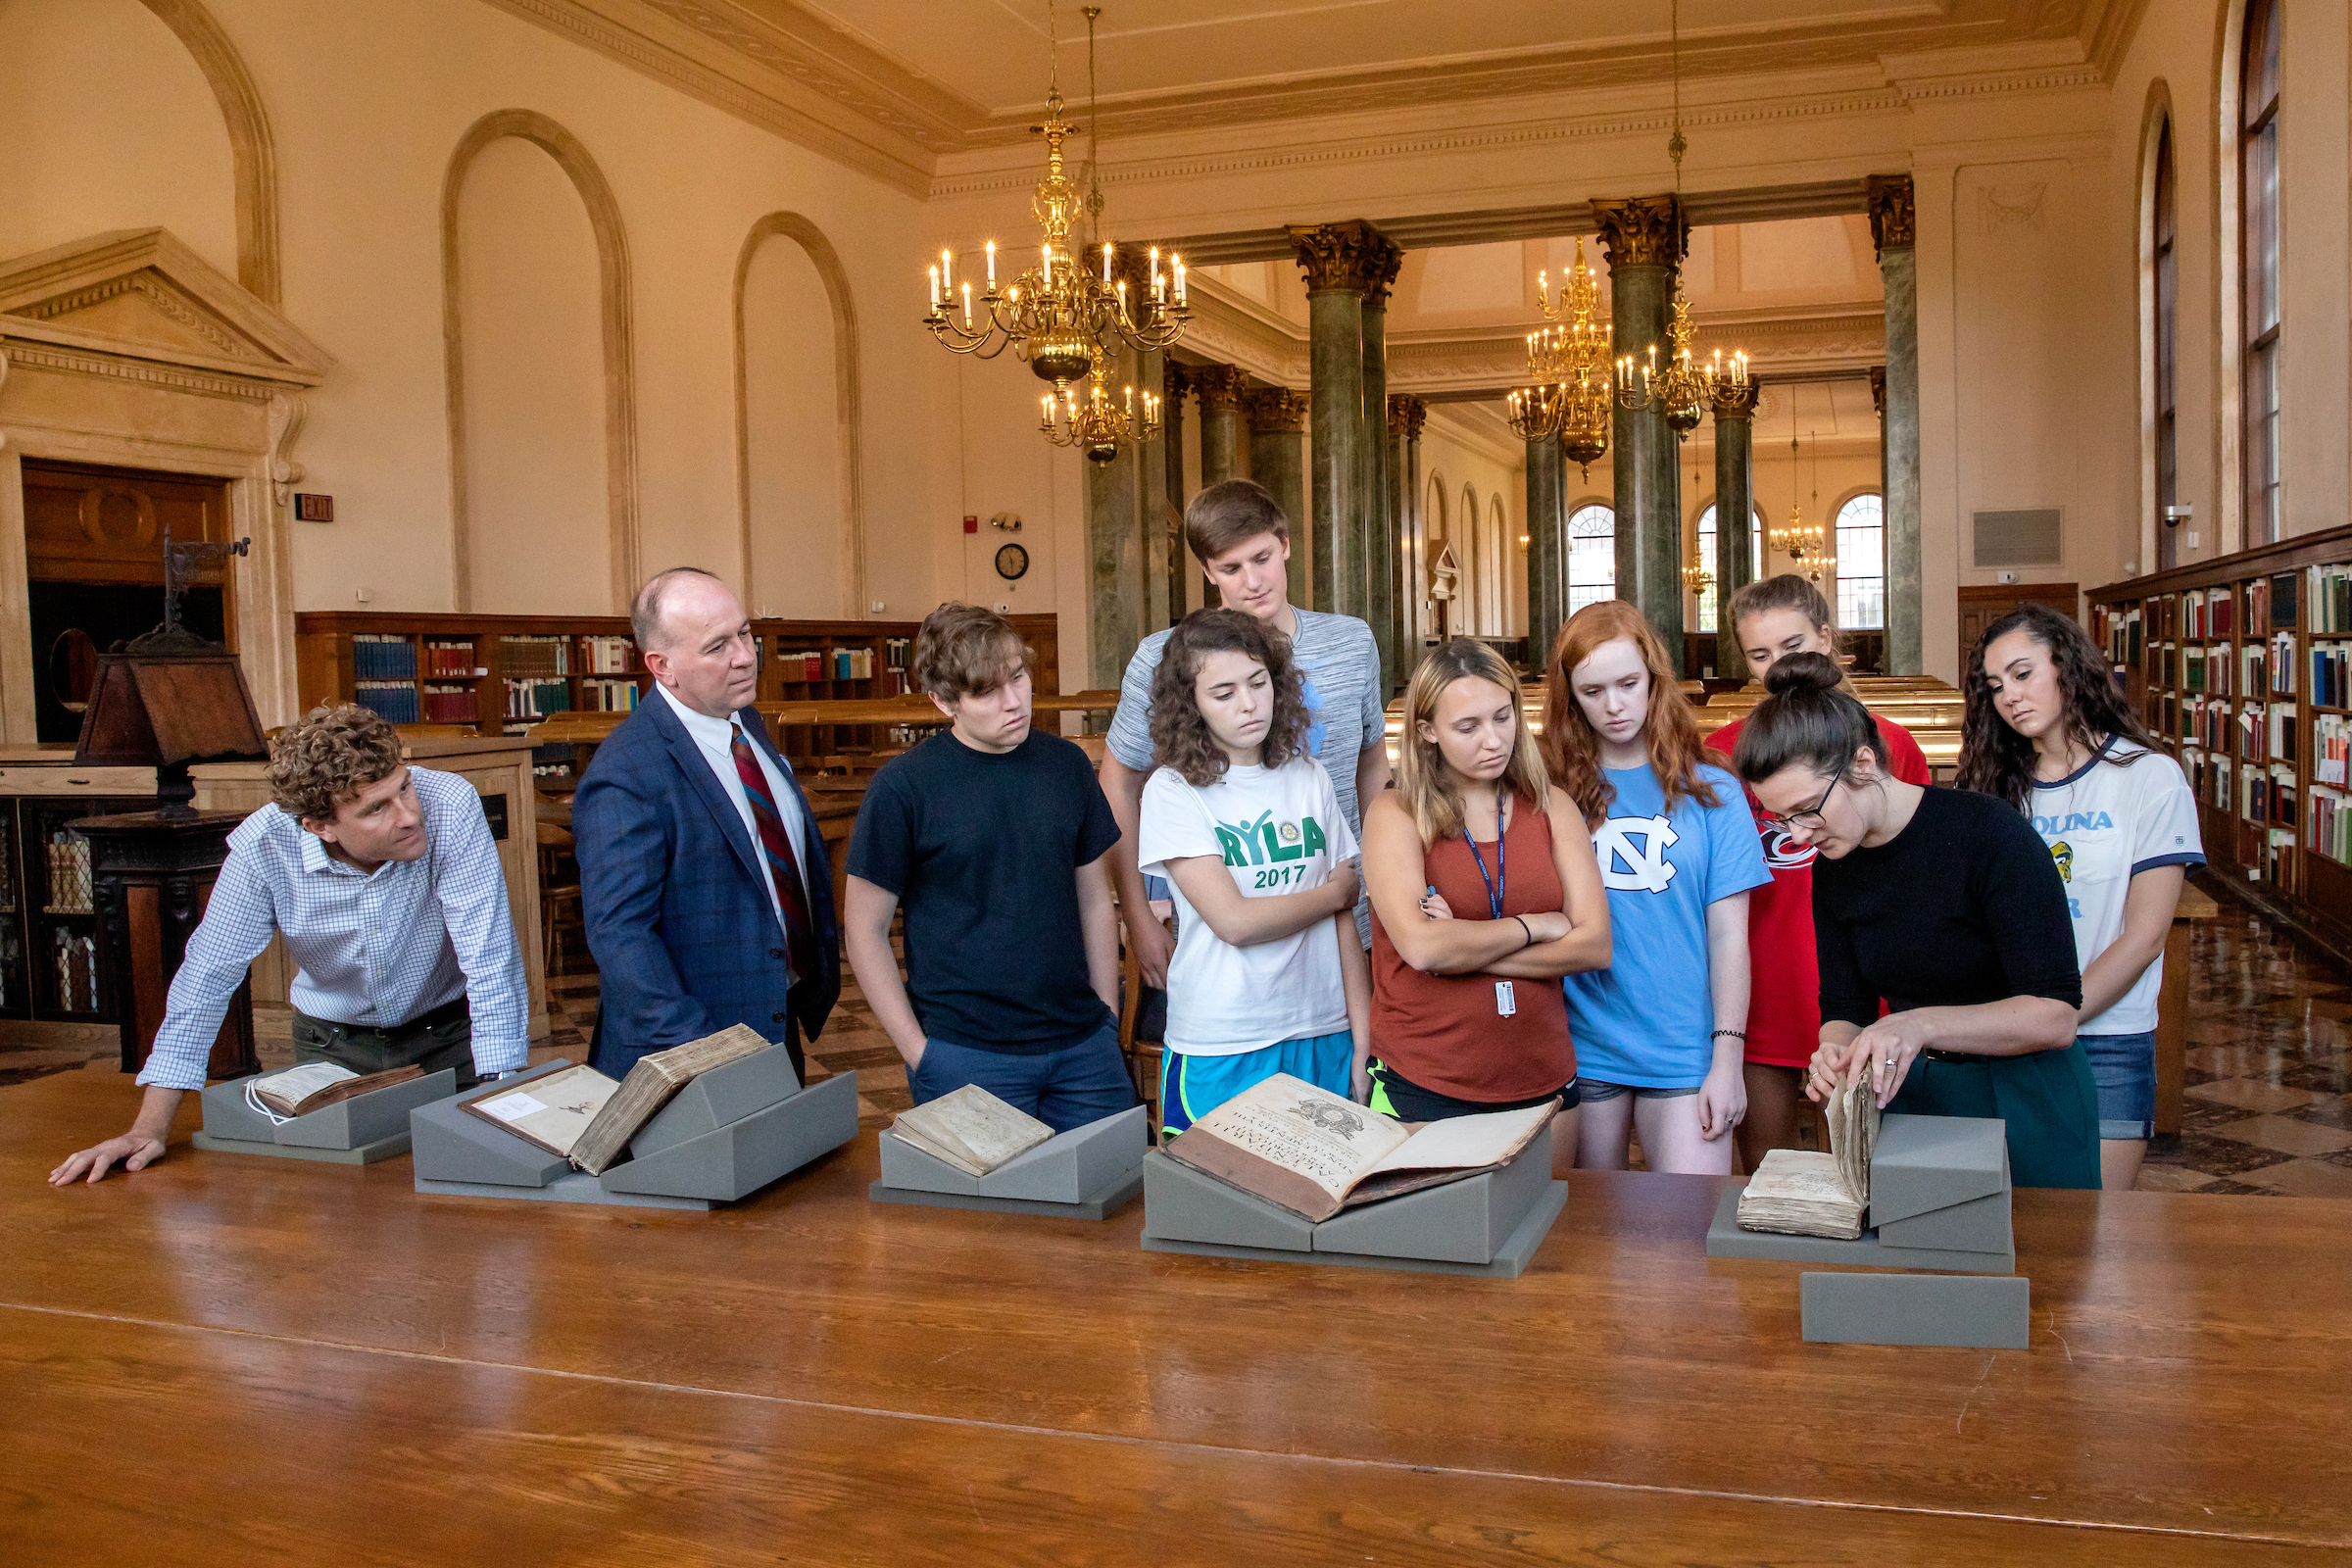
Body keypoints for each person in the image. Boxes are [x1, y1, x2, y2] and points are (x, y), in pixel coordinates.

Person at [49, 705, 529, 1185]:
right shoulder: (263, 847)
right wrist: (147, 1128)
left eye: (403, 787)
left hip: (451, 1039)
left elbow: (489, 958)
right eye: (376, 808)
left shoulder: (450, 803)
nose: (409, 815)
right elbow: (207, 977)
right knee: (346, 1203)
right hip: (331, 1051)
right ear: (319, 826)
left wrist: (503, 1091)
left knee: (469, 1194)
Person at [1733, 653, 2097, 1188]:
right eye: (1782, 817)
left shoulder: (1988, 835)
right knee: (1913, 1260)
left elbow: (2056, 1016)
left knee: (2041, 1265)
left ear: (1862, 763)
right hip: (1908, 1094)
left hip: (2024, 1092)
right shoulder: (1835, 868)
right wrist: (1833, 1051)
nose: (1797, 836)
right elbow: (1845, 1005)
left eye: (1809, 809)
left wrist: (1916, 1022)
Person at [844, 604, 1135, 1132]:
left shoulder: (1066, 766)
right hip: (964, 1053)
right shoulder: (903, 789)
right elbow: (864, 931)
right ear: (942, 701)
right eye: (986, 691)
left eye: (1018, 678)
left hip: (1083, 1047)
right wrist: (919, 1052)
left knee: (1115, 1203)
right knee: (988, 1216)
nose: (1014, 702)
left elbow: (1093, 897)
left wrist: (1105, 1015)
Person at [1102, 478, 1390, 984]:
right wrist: (1138, 914)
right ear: (1207, 571)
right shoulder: (1160, 656)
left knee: (1346, 1051)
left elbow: (1370, 764)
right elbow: (1120, 784)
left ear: (1285, 544)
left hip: (1342, 905)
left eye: (1261, 558)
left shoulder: (1352, 641)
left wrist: (1385, 884)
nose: (1252, 581)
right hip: (1216, 918)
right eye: (1231, 569)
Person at [1961, 604, 2203, 1191]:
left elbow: (2144, 938)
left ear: (2067, 667)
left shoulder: (2149, 776)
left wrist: (2058, 1016)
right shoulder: (1991, 786)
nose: (2010, 696)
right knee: (2010, 1224)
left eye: (2023, 674)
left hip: (2108, 1037)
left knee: (2095, 1235)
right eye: (1995, 687)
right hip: (2008, 1036)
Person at [1704, 574, 1933, 1172]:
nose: (1778, 666)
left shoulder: (1887, 744)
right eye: (1759, 654)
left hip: (1860, 981)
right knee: (1766, 1169)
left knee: (1858, 1167)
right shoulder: (1722, 751)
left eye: (1793, 647)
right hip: (1763, 978)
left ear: (1826, 639)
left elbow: (1911, 874)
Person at [574, 567, 838, 1080]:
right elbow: (621, 935)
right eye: (717, 646)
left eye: (744, 633)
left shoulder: (745, 721)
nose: (745, 655)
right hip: (687, 1051)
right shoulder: (626, 773)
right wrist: (699, 1050)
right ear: (663, 666)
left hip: (769, 1021)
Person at [1543, 601, 1772, 1176]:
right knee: (1586, 1235)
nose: (1614, 706)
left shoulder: (1712, 789)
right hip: (1581, 1040)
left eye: (1628, 684)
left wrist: (1728, 1058)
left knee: (1690, 1238)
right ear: (1570, 695)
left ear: (1654, 679)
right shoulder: (1549, 792)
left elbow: (1728, 939)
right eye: (1593, 691)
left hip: (1684, 1044)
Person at [1360, 640, 1609, 1162]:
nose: (1493, 740)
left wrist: (1464, 948)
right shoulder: (1396, 814)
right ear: (1428, 731)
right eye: (1467, 727)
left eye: (1503, 717)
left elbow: (1594, 946)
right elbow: (1423, 950)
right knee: (1438, 1243)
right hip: (1428, 1078)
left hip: (1542, 1075)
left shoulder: (1550, 805)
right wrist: (1535, 925)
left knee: (1552, 1239)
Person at [1138, 610, 1370, 1136]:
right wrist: (1333, 893)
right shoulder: (1173, 791)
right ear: (1190, 705)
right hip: (1224, 1038)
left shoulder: (1308, 777)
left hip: (1322, 1028)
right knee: (1226, 1207)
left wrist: (1364, 1033)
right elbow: (1235, 922)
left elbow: (1344, 924)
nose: (1248, 704)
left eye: (1259, 682)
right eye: (1223, 693)